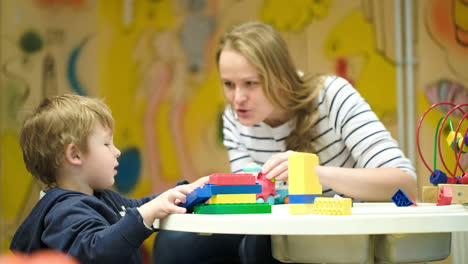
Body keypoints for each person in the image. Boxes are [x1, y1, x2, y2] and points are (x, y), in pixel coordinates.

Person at [219, 21, 417, 201]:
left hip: (353, 235)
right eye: (228, 84)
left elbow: (405, 186)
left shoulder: (332, 95)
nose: (237, 99)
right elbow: (250, 201)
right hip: (282, 238)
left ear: (281, 78)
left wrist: (312, 172)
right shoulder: (233, 117)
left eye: (251, 83)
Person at [10, 94, 208, 263]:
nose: (117, 151)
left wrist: (182, 194)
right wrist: (144, 216)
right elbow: (96, 252)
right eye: (106, 144)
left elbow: (141, 206)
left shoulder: (101, 198)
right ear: (75, 155)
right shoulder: (62, 213)